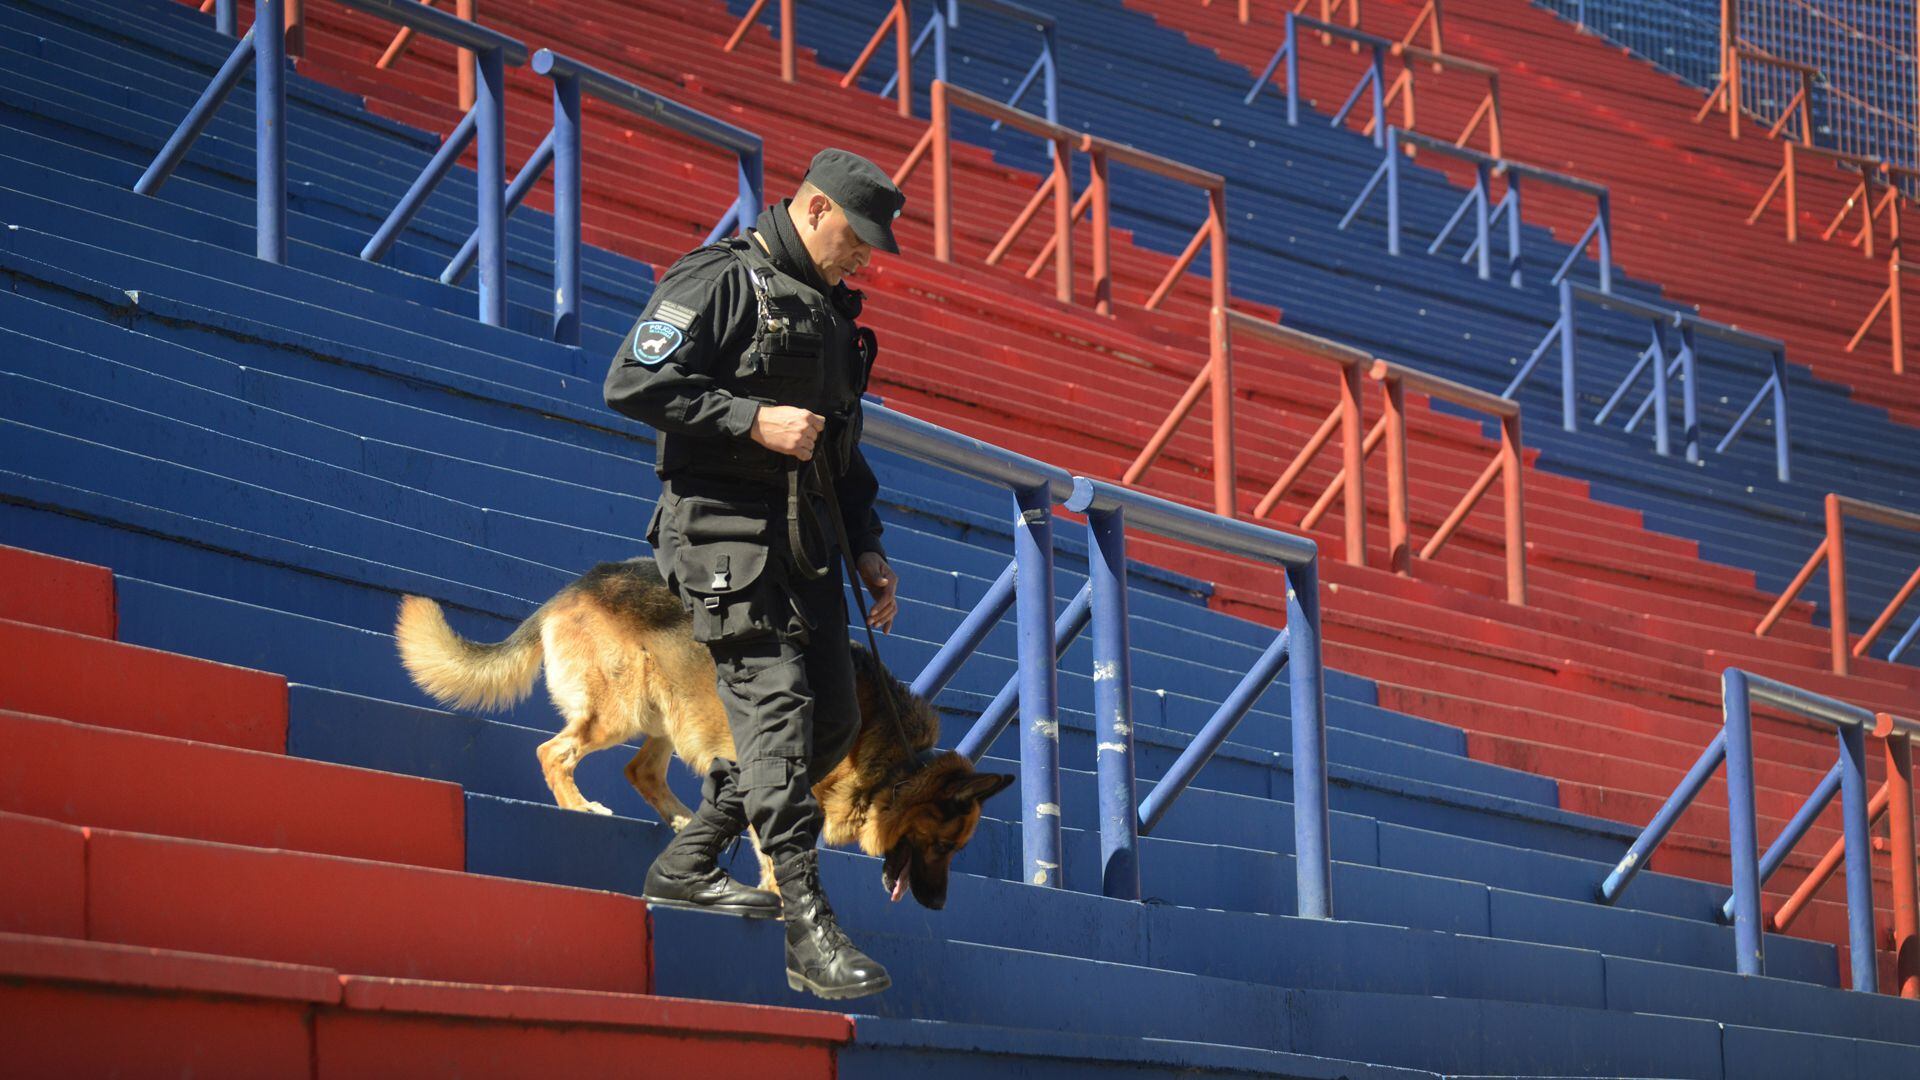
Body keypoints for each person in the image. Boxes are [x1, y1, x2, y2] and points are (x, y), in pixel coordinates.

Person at [603, 148, 905, 1001]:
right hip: (723, 540)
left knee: (834, 720)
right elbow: (630, 380)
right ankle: (808, 927)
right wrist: (748, 419)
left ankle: (690, 859)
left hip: (807, 546)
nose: (864, 256)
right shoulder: (719, 279)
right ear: (813, 211)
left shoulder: (833, 315)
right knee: (775, 713)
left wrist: (870, 547)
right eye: (857, 236)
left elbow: (844, 452)